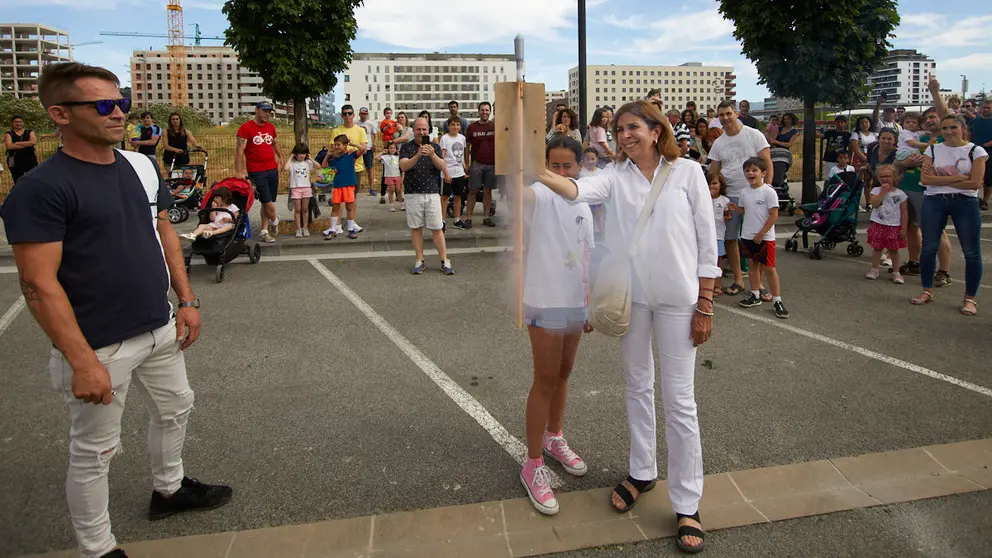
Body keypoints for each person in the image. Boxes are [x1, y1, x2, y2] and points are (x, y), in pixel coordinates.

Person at [0, 61, 231, 558]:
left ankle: (169, 490)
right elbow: (37, 284)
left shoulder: (141, 165)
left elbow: (164, 231)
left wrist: (186, 300)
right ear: (59, 114)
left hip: (159, 325)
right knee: (96, 452)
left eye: (121, 101)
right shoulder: (40, 189)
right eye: (103, 105)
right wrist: (81, 360)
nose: (119, 112)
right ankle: (98, 549)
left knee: (176, 410)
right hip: (98, 343)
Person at [534, 100, 717, 554]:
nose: (625, 135)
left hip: (680, 301)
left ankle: (687, 502)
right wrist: (534, 172)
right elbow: (575, 190)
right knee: (637, 386)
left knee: (680, 401)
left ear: (658, 130)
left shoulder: (688, 173)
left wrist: (707, 303)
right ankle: (641, 472)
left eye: (634, 127)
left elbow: (707, 241)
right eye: (619, 129)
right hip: (631, 300)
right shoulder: (614, 176)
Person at [518, 136, 594, 516]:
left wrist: (588, 302)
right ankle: (532, 464)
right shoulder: (540, 194)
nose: (561, 172)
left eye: (568, 166)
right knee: (545, 378)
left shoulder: (584, 202)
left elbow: (587, 254)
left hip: (574, 302)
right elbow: (520, 193)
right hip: (543, 299)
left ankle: (554, 437)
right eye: (554, 165)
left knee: (564, 372)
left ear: (580, 167)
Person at [912, 115, 988, 316]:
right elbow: (925, 179)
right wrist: (960, 178)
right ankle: (926, 290)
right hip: (935, 201)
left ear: (962, 127)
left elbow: (975, 183)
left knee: (971, 252)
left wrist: (941, 179)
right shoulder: (933, 149)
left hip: (965, 202)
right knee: (928, 247)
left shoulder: (975, 151)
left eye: (953, 127)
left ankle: (970, 298)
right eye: (944, 128)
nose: (948, 132)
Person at [707, 100, 774, 297]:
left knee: (757, 239)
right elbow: (714, 171)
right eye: (721, 115)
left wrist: (767, 187)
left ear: (736, 113)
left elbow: (767, 162)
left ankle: (759, 283)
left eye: (728, 113)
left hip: (755, 194)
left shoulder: (754, 135)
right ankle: (738, 279)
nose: (725, 118)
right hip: (731, 196)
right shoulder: (719, 143)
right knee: (730, 239)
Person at [730, 157, 789, 318]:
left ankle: (777, 300)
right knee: (752, 265)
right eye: (747, 170)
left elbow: (773, 215)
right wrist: (734, 208)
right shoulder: (744, 192)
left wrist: (762, 233)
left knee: (770, 268)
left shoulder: (768, 192)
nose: (750, 173)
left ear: (763, 173)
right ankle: (755, 294)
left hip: (765, 237)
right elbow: (744, 210)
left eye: (754, 170)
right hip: (748, 235)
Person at [400, 117, 454, 275]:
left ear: (428, 130)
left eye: (424, 129)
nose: (421, 132)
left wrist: (432, 155)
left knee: (437, 228)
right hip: (413, 193)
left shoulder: (435, 147)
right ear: (413, 130)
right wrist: (417, 155)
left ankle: (445, 260)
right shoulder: (406, 147)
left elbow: (443, 166)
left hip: (432, 193)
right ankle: (419, 260)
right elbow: (403, 166)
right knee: (416, 228)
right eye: (418, 129)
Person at [235, 101, 283, 243]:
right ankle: (275, 221)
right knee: (267, 202)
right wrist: (239, 170)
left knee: (266, 202)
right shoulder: (246, 128)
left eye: (269, 111)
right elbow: (239, 150)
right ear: (256, 110)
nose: (267, 114)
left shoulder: (270, 127)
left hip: (272, 169)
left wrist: (280, 156)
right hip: (257, 171)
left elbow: (274, 142)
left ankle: (264, 231)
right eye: (264, 111)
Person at [864, 165, 908, 284]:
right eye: (882, 177)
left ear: (893, 177)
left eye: (887, 176)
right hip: (879, 223)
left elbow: (904, 212)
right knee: (877, 248)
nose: (885, 179)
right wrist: (883, 192)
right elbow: (875, 204)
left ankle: (896, 272)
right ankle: (874, 269)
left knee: (894, 249)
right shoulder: (876, 191)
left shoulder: (901, 194)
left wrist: (904, 228)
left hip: (893, 226)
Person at [321, 135, 362, 240]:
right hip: (338, 186)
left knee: (349, 207)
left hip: (348, 185)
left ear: (345, 146)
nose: (336, 147)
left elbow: (363, 149)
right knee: (335, 208)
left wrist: (352, 144)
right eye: (335, 144)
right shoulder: (333, 158)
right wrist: (328, 154)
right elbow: (324, 166)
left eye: (338, 144)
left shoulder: (351, 155)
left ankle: (351, 229)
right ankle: (333, 230)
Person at [465, 101, 497, 228]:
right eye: (482, 110)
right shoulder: (472, 127)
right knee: (472, 191)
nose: (484, 112)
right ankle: (468, 218)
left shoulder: (495, 126)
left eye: (487, 110)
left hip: (492, 164)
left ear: (490, 112)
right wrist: (467, 163)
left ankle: (486, 217)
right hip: (476, 164)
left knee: (488, 192)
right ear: (479, 111)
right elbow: (467, 147)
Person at [331, 104, 370, 197]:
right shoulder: (336, 131)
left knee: (352, 197)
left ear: (353, 115)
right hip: (340, 167)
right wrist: (344, 153)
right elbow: (332, 149)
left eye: (349, 113)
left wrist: (353, 151)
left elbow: (364, 149)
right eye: (345, 114)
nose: (347, 116)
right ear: (342, 116)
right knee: (339, 197)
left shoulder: (360, 130)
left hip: (356, 167)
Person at [285, 143, 322, 238]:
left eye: (303, 153)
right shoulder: (293, 163)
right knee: (297, 209)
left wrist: (310, 158)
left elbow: (318, 166)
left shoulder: (307, 163)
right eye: (298, 153)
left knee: (305, 209)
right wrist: (290, 157)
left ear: (306, 154)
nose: (301, 155)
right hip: (296, 188)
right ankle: (298, 228)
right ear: (295, 154)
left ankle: (305, 228)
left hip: (306, 188)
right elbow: (285, 168)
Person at [440, 117, 469, 230]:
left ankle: (457, 219)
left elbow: (462, 155)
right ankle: (442, 221)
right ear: (448, 126)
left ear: (460, 126)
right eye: (453, 125)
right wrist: (445, 173)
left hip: (459, 173)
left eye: (457, 125)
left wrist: (465, 167)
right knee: (445, 197)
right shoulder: (444, 138)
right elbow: (442, 157)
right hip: (448, 172)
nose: (455, 127)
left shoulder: (462, 138)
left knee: (458, 196)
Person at [709, 171, 730, 297]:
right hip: (705, 235)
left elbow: (727, 215)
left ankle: (718, 284)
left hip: (718, 235)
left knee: (718, 259)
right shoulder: (702, 199)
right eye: (709, 183)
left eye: (715, 183)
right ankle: (706, 284)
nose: (712, 186)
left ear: (721, 185)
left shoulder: (725, 200)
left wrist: (728, 215)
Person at [970, 99, 992, 210]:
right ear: (980, 108)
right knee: (975, 176)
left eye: (988, 107)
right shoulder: (975, 121)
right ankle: (975, 199)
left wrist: (988, 144)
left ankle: (985, 200)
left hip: (990, 152)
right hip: (975, 152)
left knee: (988, 178)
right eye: (984, 107)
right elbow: (969, 134)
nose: (986, 109)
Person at [4, 114, 38, 183]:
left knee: (33, 178)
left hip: (30, 159)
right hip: (14, 160)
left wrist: (17, 143)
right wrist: (28, 143)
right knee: (17, 179)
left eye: (20, 122)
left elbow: (34, 142)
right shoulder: (8, 134)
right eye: (16, 122)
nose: (18, 123)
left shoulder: (30, 132)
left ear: (23, 123)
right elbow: (9, 146)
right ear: (12, 123)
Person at [378, 107, 398, 204]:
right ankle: (382, 195)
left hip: (394, 143)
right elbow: (382, 130)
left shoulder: (394, 122)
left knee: (396, 169)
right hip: (387, 143)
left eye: (390, 113)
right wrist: (387, 127)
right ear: (384, 114)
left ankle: (398, 194)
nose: (388, 114)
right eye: (387, 113)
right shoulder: (384, 122)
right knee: (386, 170)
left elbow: (398, 129)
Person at [357, 107, 378, 196]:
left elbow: (375, 135)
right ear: (359, 114)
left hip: (368, 149)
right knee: (357, 169)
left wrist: (374, 144)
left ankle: (371, 188)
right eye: (362, 113)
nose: (363, 115)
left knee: (369, 168)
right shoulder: (355, 123)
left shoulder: (370, 124)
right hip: (358, 149)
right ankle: (356, 187)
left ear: (367, 114)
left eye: (365, 114)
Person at [378, 142, 402, 211]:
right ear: (388, 149)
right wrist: (382, 152)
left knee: (399, 190)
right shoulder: (385, 157)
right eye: (390, 148)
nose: (392, 149)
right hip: (389, 176)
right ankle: (391, 205)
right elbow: (376, 158)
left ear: (396, 149)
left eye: (394, 148)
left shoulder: (398, 157)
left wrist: (400, 153)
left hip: (397, 175)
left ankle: (401, 204)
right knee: (391, 190)